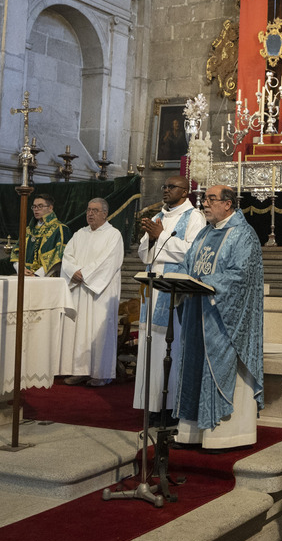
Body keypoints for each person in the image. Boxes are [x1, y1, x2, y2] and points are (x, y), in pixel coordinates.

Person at [173, 185, 264, 449]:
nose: (204, 204)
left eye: (211, 199)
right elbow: (188, 263)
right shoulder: (204, 233)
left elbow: (241, 276)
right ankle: (191, 434)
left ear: (228, 204)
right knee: (192, 366)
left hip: (225, 320)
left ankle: (223, 436)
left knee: (217, 367)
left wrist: (205, 281)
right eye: (204, 199)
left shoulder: (243, 235)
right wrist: (178, 277)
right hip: (197, 313)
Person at [133, 174, 206, 414]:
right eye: (164, 186)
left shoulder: (194, 217)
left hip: (176, 294)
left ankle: (171, 407)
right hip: (153, 292)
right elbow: (145, 256)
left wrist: (160, 237)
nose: (165, 190)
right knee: (149, 348)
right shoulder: (158, 216)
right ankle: (151, 407)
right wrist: (153, 239)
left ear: (185, 192)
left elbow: (194, 253)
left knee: (170, 348)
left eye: (171, 187)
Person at [59, 198, 125, 387]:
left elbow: (109, 261)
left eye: (95, 210)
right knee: (78, 331)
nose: (90, 213)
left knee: (99, 330)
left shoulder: (113, 235)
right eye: (88, 210)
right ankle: (79, 370)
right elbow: (67, 256)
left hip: (99, 292)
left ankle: (101, 373)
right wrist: (73, 272)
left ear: (105, 213)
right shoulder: (80, 234)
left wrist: (85, 273)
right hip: (79, 289)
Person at [12, 193, 69, 276]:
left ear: (50, 208)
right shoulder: (28, 230)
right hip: (24, 276)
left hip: (47, 278)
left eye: (40, 206)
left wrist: (37, 275)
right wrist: (20, 269)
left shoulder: (60, 229)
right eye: (34, 206)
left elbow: (59, 258)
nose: (36, 209)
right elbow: (16, 252)